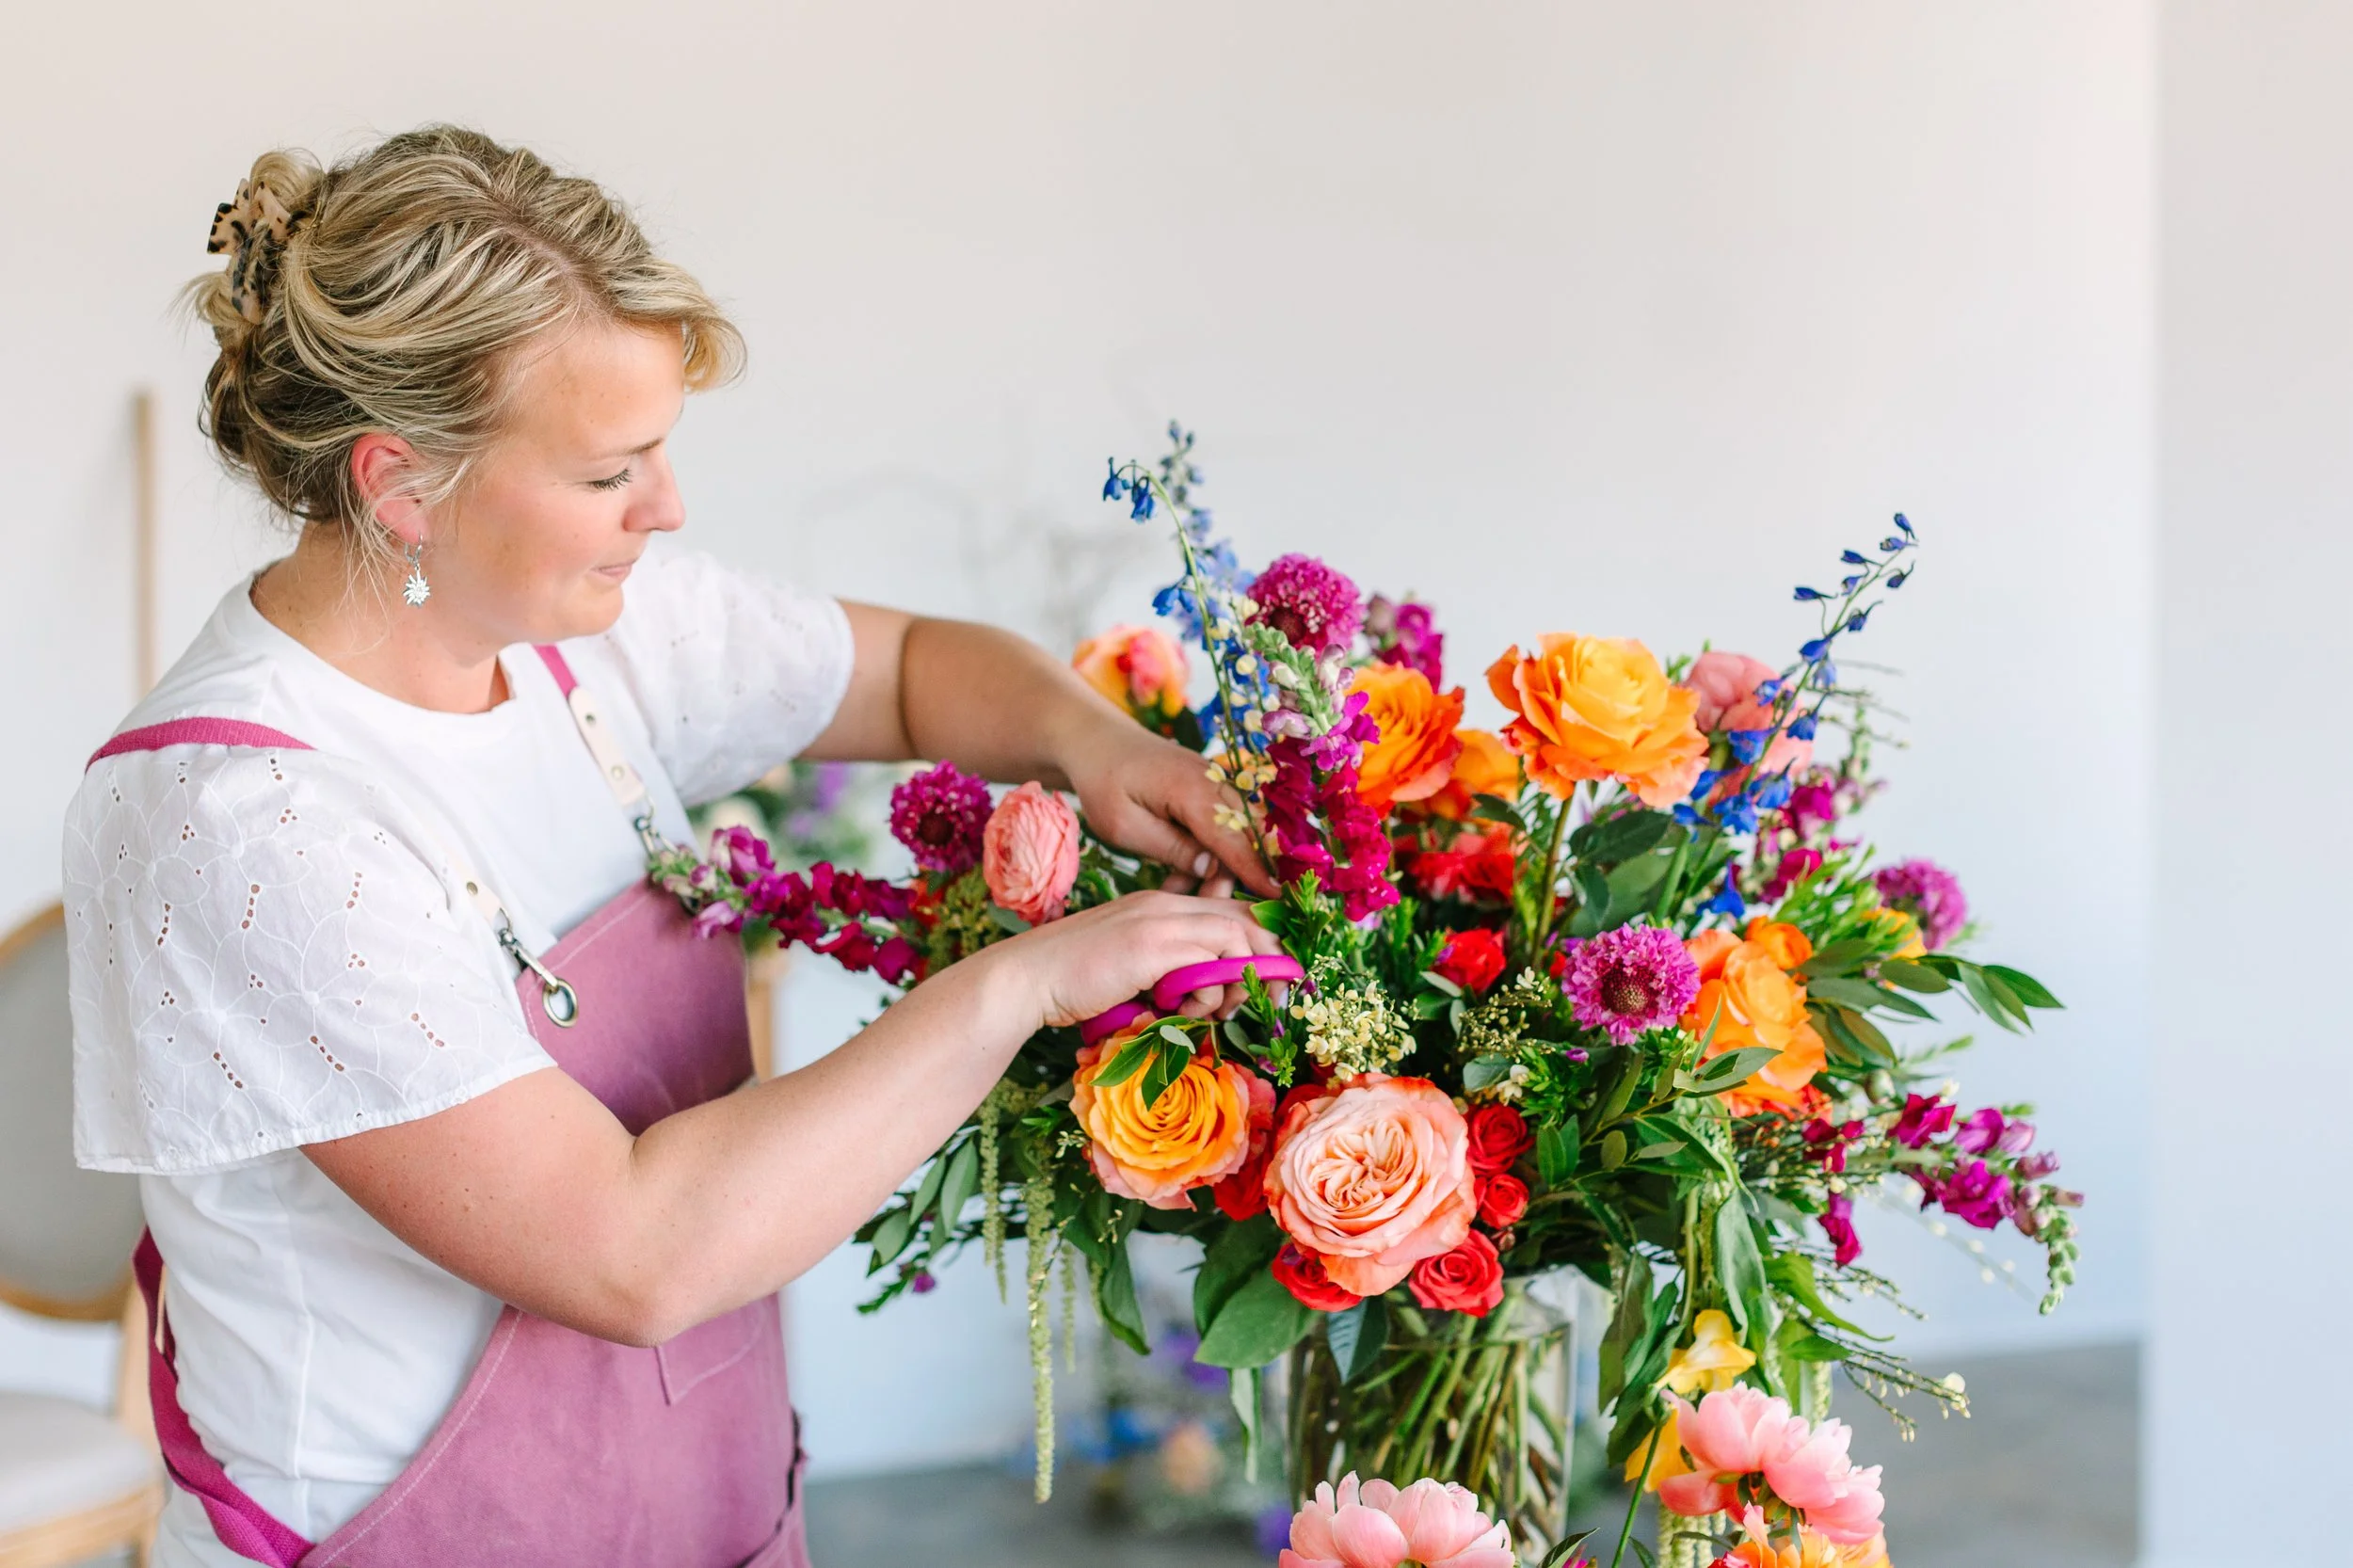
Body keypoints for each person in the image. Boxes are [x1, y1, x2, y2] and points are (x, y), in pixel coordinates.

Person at [65, 125, 1278, 1568]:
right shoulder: (238, 820)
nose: (667, 508)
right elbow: (633, 1253)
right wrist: (1017, 986)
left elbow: (908, 673)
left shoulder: (589, 639)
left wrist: (1098, 744)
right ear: (400, 483)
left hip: (701, 1508)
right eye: (609, 472)